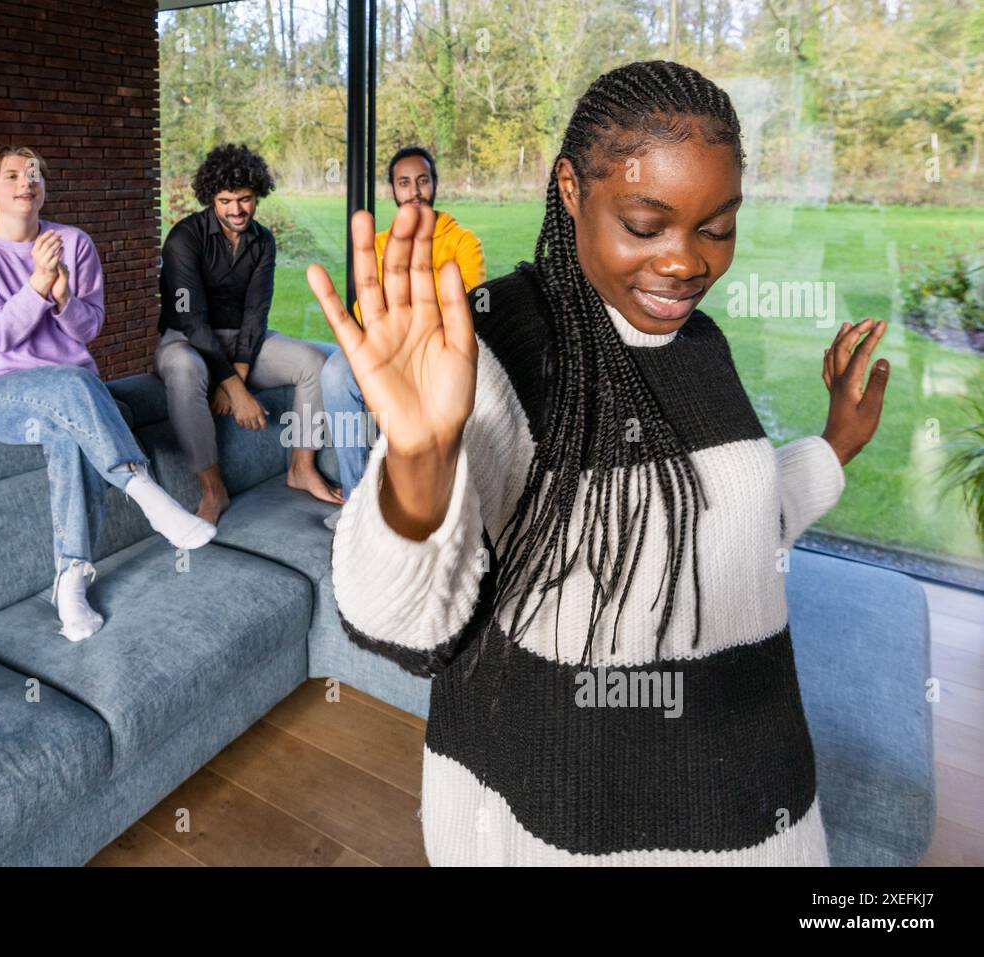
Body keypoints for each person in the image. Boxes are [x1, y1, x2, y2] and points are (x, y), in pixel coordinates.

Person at [306, 61, 890, 866]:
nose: (688, 263)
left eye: (717, 227)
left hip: (760, 817)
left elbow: (723, 529)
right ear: (572, 189)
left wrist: (833, 447)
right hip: (560, 828)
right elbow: (402, 625)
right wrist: (419, 458)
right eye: (647, 224)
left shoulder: (699, 342)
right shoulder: (504, 347)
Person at [0, 146, 216, 644]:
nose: (27, 182)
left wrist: (64, 296)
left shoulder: (74, 242)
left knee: (68, 429)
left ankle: (70, 581)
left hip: (71, 393)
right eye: (12, 176)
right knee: (72, 383)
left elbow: (88, 330)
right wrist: (38, 285)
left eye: (35, 174)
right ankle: (146, 493)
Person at [155, 143, 342, 524]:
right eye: (226, 201)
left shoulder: (263, 241)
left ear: (257, 195)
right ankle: (212, 490)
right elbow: (192, 321)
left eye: (245, 199)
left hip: (245, 340)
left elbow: (256, 311)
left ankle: (301, 467)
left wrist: (236, 375)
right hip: (186, 339)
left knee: (314, 361)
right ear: (211, 198)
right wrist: (236, 390)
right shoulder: (183, 239)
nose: (236, 210)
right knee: (184, 370)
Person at [320, 146, 486, 529]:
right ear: (393, 190)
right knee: (333, 371)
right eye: (404, 183)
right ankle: (356, 499)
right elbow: (365, 316)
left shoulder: (462, 242)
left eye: (422, 181)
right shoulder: (379, 245)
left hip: (435, 352)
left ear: (435, 185)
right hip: (385, 348)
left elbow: (469, 308)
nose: (414, 191)